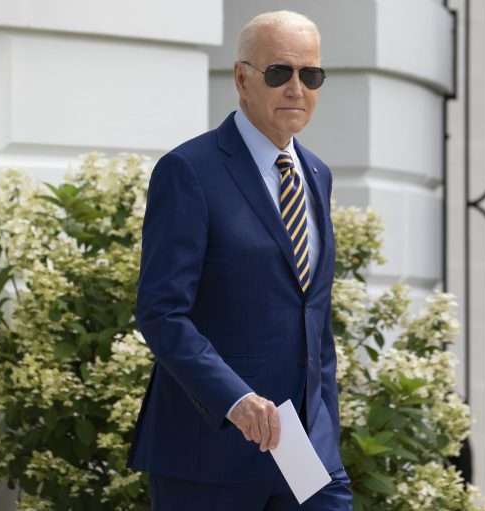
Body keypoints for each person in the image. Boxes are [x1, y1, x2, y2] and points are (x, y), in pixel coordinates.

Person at [127, 10, 352, 510]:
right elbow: (162, 312)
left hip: (306, 453)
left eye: (309, 75)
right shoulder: (188, 171)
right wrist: (235, 400)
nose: (296, 88)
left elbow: (313, 313)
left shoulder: (317, 174)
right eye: (279, 73)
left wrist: (326, 426)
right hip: (210, 453)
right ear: (241, 77)